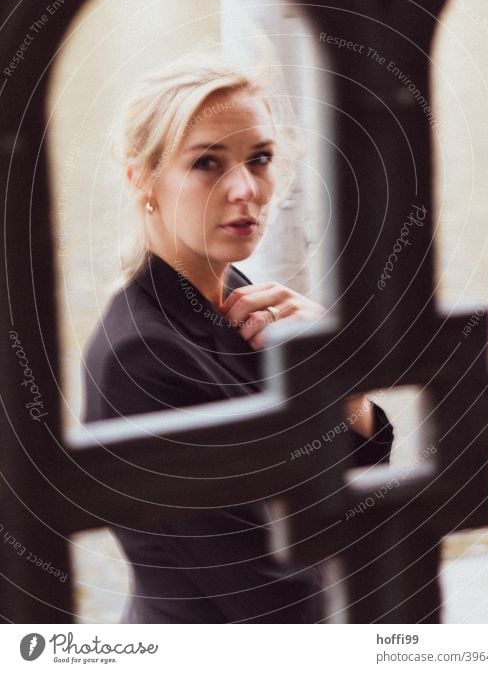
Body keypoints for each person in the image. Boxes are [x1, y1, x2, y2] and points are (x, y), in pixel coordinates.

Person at [81, 47, 394, 623]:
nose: (245, 189)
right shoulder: (141, 358)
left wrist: (333, 373)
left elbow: (359, 470)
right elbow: (268, 596)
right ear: (142, 179)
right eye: (207, 163)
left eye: (260, 158)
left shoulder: (237, 298)